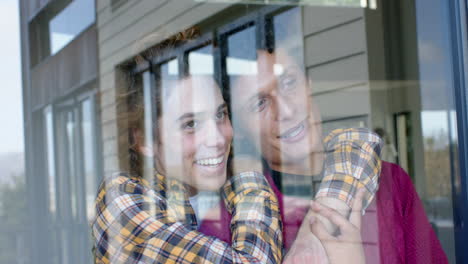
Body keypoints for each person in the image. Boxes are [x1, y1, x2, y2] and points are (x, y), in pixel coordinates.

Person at [224, 48, 448, 263]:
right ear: (239, 130)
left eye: (289, 83)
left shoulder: (390, 181)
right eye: (259, 103)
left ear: (309, 84)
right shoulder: (235, 220)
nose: (286, 110)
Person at [92, 75, 283, 263]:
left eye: (220, 115)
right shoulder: (121, 197)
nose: (217, 139)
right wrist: (249, 178)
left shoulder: (226, 194)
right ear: (144, 140)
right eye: (190, 124)